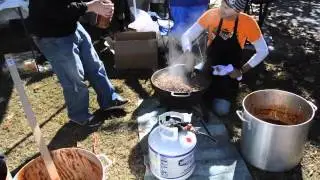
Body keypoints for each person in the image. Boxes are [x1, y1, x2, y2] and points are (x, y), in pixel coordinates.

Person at [27, 0, 128, 127]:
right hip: (51, 34)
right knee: (73, 77)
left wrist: (101, 6)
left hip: (71, 24)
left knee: (94, 64)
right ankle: (79, 115)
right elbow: (58, 10)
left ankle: (109, 99)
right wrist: (92, 6)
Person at [181, 0, 269, 116]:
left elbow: (263, 51)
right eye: (222, 4)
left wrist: (241, 70)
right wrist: (187, 52)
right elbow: (187, 36)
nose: (222, 9)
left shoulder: (248, 22)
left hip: (230, 72)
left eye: (227, 8)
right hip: (209, 66)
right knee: (192, 98)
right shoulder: (212, 14)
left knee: (221, 110)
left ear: (238, 11)